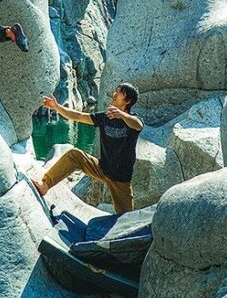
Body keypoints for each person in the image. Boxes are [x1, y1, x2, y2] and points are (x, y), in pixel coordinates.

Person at [30, 84, 143, 214]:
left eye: (120, 93)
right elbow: (78, 116)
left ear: (128, 101)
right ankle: (44, 185)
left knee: (127, 218)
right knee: (74, 155)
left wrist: (122, 115)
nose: (115, 94)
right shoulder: (105, 117)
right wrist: (57, 107)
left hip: (121, 178)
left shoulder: (134, 120)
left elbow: (138, 125)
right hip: (102, 168)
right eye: (115, 91)